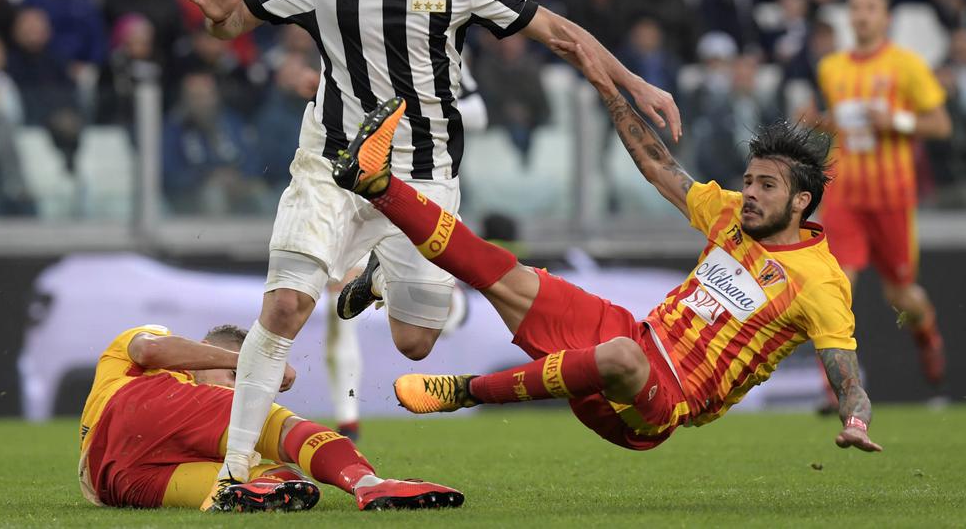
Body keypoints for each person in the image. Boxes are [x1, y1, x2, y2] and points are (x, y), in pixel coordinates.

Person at [184, 0, 681, 503]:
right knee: (285, 305)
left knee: (417, 341)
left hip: (424, 174)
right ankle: (234, 474)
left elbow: (560, 35)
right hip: (332, 161)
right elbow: (234, 23)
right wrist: (220, 16)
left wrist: (633, 82)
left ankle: (382, 276)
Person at [329, 44, 882, 456]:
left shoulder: (820, 281)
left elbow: (848, 378)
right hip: (632, 333)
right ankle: (374, 182)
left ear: (802, 201)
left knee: (621, 357)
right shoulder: (731, 214)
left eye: (767, 187)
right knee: (509, 274)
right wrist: (607, 90)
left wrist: (855, 422)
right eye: (751, 181)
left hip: (660, 404)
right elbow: (658, 166)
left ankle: (464, 391)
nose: (751, 195)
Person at [77, 323, 463, 512]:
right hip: (132, 408)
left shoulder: (200, 412)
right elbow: (147, 351)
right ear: (206, 351)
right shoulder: (159, 361)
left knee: (283, 483)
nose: (235, 390)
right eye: (235, 380)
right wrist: (252, 365)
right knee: (280, 427)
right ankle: (367, 482)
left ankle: (236, 498)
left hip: (112, 480)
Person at [813, 0, 953, 391]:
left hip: (891, 197)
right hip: (845, 195)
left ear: (886, 17)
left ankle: (926, 331)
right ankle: (834, 384)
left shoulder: (905, 65)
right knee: (837, 285)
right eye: (855, 8)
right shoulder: (831, 68)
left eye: (869, 8)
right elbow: (838, 128)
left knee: (900, 294)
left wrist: (895, 120)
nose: (861, 16)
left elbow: (941, 124)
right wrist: (816, 122)